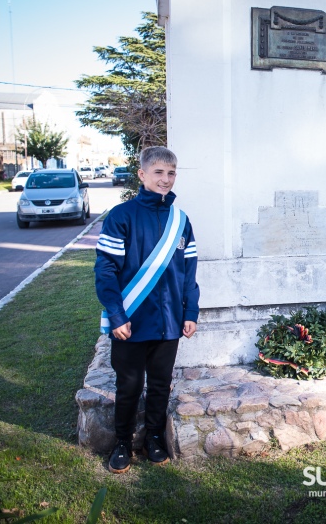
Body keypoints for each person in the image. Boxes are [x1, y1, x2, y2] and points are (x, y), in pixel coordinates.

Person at [94, 146, 200, 473]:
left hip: (169, 322)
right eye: (158, 172)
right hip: (130, 321)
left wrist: (190, 312)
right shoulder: (121, 216)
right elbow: (106, 270)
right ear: (142, 175)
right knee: (128, 386)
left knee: (159, 383)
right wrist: (116, 314)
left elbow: (189, 272)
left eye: (171, 173)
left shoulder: (181, 221)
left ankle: (154, 438)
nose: (165, 179)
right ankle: (123, 442)